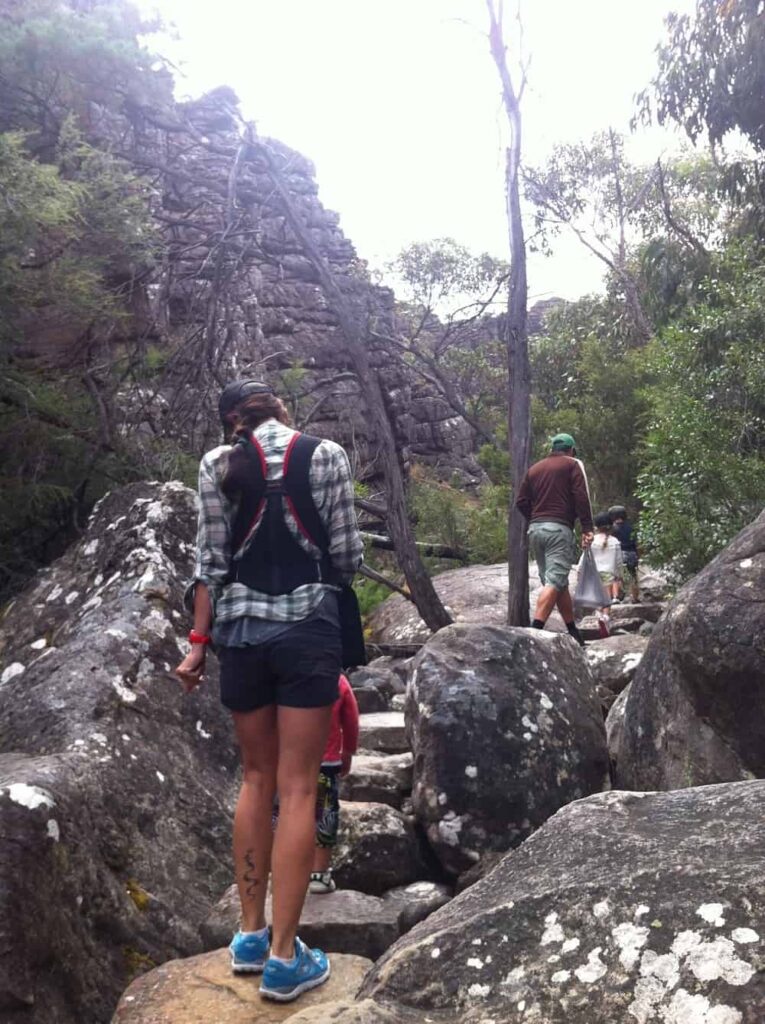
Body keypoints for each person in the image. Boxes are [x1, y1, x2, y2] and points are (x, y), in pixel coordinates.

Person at [175, 379, 363, 1003]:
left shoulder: (217, 465)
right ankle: (286, 959)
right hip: (309, 631)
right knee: (299, 785)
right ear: (281, 410)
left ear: (233, 420)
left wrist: (199, 644)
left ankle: (250, 935)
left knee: (255, 779)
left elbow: (210, 564)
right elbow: (346, 554)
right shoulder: (326, 454)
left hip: (242, 637)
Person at [273, 674, 359, 895]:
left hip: (288, 762)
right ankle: (319, 874)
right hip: (326, 763)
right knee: (325, 815)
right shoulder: (337, 681)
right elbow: (351, 720)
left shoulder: (283, 677)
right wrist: (348, 751)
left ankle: (286, 871)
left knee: (286, 813)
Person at [516, 432, 594, 645]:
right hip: (558, 530)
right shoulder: (572, 464)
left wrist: (535, 518)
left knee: (559, 584)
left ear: (553, 449)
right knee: (554, 581)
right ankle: (533, 635)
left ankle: (573, 633)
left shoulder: (534, 469)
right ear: (571, 450)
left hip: (535, 530)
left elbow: (521, 501)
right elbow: (581, 496)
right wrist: (587, 527)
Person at [579, 511, 623, 637]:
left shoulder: (592, 541)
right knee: (607, 599)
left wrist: (579, 569)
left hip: (594, 573)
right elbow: (619, 561)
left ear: (596, 527)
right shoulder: (615, 542)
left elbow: (585, 557)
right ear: (611, 525)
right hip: (608, 573)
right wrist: (619, 575)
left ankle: (599, 614)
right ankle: (605, 617)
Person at [608, 504, 640, 603]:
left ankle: (615, 597)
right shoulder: (631, 527)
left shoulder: (612, 529)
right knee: (633, 576)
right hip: (631, 553)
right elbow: (637, 543)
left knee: (615, 576)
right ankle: (634, 598)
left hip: (618, 554)